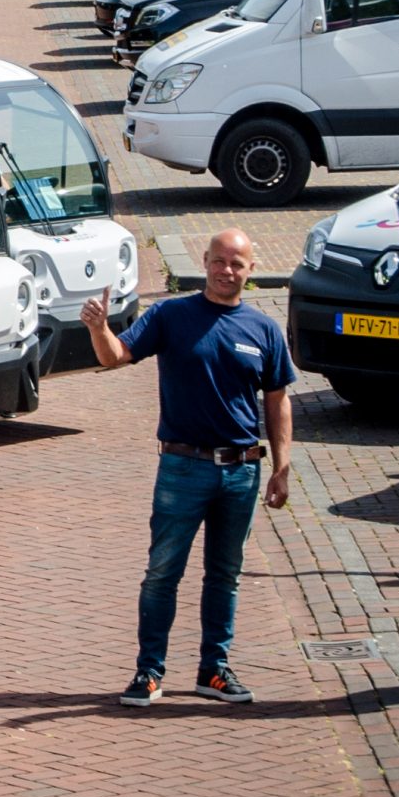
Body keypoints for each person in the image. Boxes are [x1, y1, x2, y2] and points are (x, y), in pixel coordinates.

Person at [82, 228, 294, 707]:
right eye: (219, 261)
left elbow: (278, 400)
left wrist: (282, 465)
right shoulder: (172, 315)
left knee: (225, 574)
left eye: (237, 264)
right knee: (162, 572)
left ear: (251, 271)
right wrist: (99, 329)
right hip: (183, 467)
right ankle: (148, 672)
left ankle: (213, 670)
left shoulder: (263, 330)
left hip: (242, 471)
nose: (226, 271)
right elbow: (117, 356)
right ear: (204, 260)